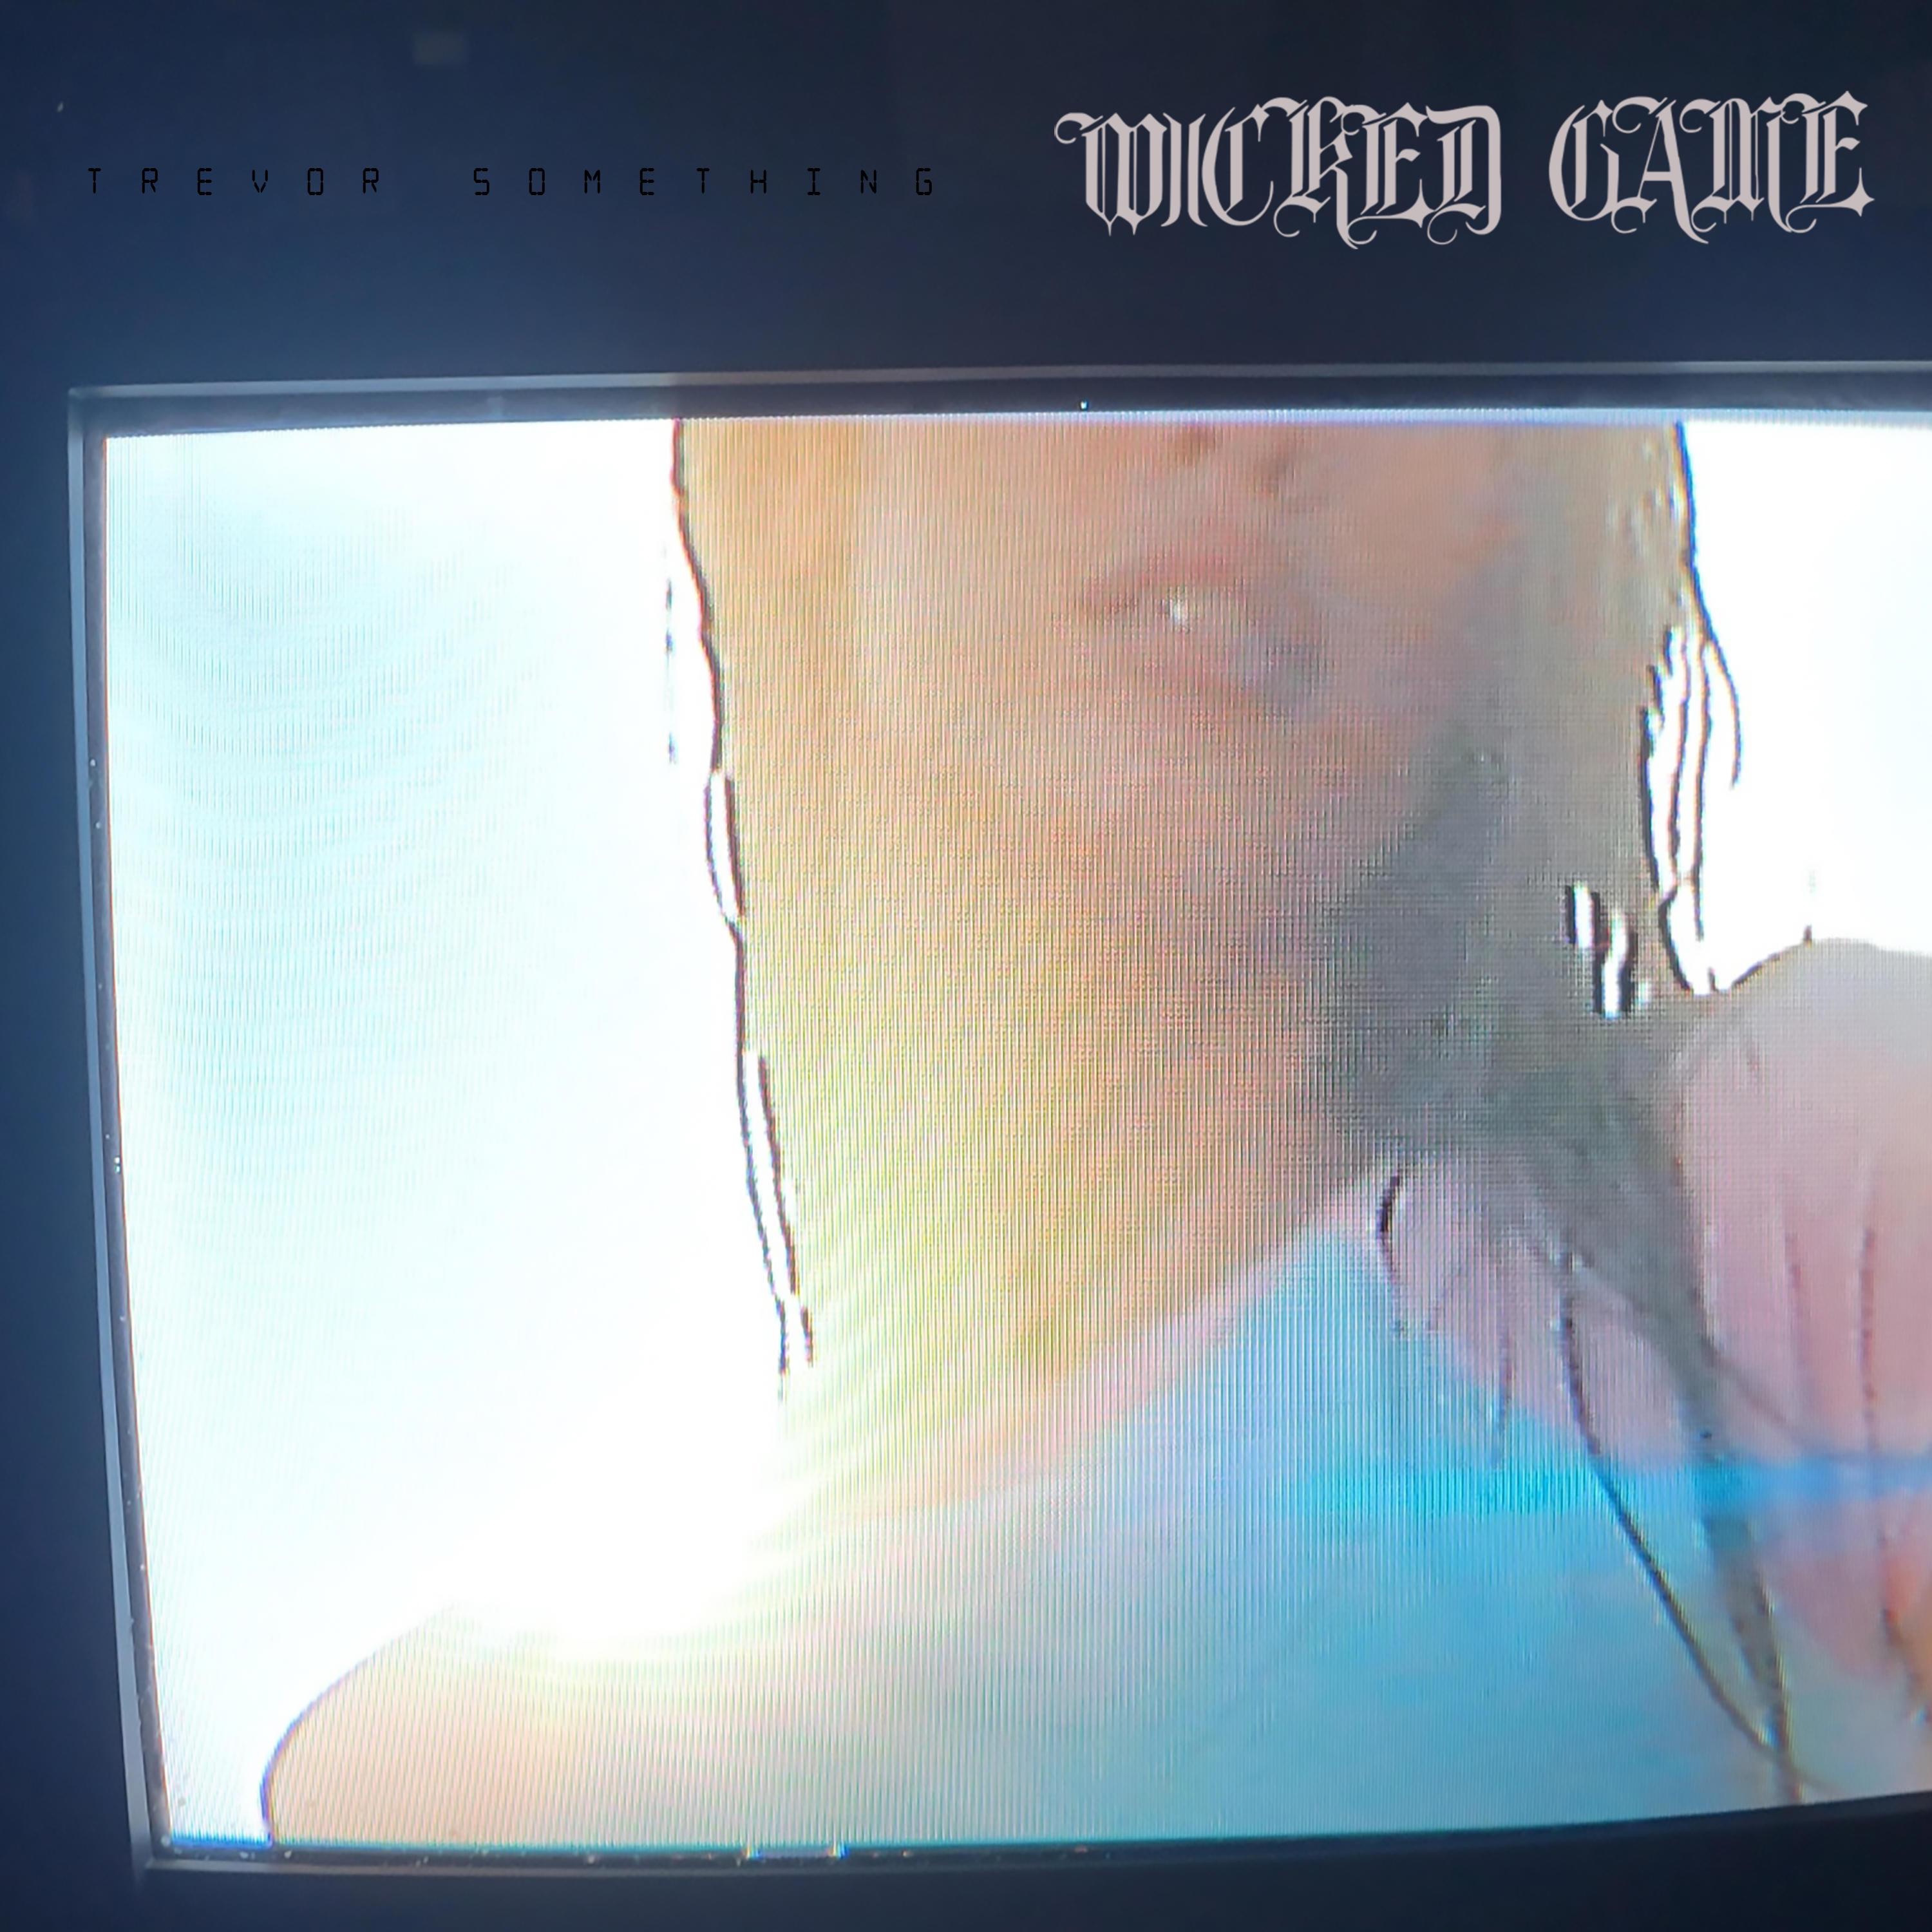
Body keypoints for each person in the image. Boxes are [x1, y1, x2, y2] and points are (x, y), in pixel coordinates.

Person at [262, 415, 1932, 1848]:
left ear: (1514, 558)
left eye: (1370, 324)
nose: (1254, 429)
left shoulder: (1801, 1166)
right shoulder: (485, 1772)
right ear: (808, 489)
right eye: (1096, 302)